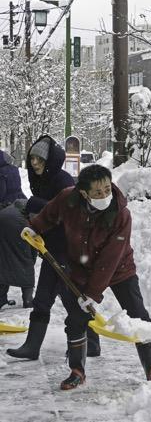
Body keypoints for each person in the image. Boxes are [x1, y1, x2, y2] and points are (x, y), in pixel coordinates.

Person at [25, 164, 151, 390]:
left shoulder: (120, 213)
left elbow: (110, 258)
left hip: (119, 269)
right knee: (76, 318)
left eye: (107, 188)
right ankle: (77, 370)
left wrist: (92, 294)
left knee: (138, 314)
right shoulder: (68, 199)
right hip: (82, 268)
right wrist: (35, 227)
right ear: (83, 193)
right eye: (98, 192)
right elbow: (49, 214)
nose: (105, 195)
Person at [7, 135, 101, 359]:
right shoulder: (40, 179)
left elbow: (65, 213)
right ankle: (32, 347)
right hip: (51, 248)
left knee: (71, 299)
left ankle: (92, 342)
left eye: (40, 159)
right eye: (32, 159)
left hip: (69, 250)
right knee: (43, 300)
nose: (35, 163)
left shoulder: (63, 180)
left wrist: (32, 204)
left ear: (49, 160)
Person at [0, 149, 32, 309]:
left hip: (6, 213)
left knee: (3, 259)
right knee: (24, 256)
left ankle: (1, 299)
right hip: (21, 210)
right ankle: (27, 299)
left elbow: (1, 193)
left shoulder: (1, 173)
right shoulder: (13, 170)